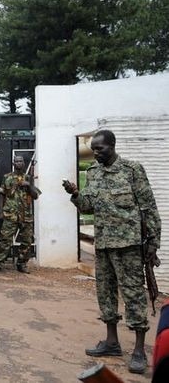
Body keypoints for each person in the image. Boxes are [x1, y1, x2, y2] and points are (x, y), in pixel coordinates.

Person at [63, 129, 161, 375]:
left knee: (133, 295)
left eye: (100, 149)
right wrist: (75, 194)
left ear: (112, 146)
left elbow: (149, 206)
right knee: (105, 293)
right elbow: (88, 207)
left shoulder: (132, 170)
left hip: (128, 246)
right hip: (104, 244)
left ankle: (139, 349)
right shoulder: (93, 173)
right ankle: (111, 342)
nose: (95, 153)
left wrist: (153, 243)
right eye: (93, 149)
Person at [0, 155, 40, 274]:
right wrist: (1, 211)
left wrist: (28, 185)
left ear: (23, 163)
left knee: (26, 241)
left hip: (25, 215)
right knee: (5, 240)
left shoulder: (28, 178)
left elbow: (35, 196)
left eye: (21, 161)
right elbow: (1, 194)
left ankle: (22, 264)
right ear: (13, 163)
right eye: (16, 161)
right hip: (10, 214)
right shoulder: (7, 177)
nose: (18, 163)